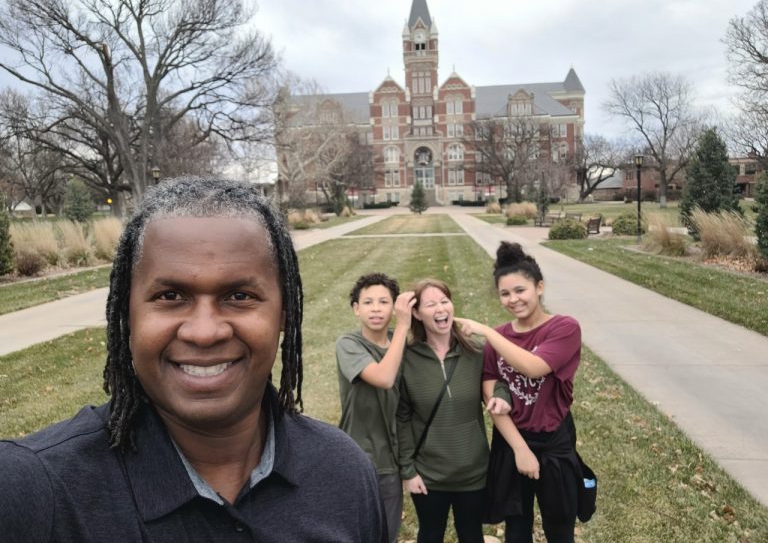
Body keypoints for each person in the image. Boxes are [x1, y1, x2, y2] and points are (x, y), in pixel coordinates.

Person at [0, 176, 386, 543]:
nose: (204, 332)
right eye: (170, 296)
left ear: (284, 312)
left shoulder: (343, 473)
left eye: (239, 296)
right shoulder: (32, 492)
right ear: (127, 314)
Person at [456, 241, 586, 543]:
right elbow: (490, 396)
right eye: (505, 293)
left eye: (520, 290)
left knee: (560, 527)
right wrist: (520, 449)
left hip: (554, 439)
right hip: (511, 437)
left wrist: (487, 332)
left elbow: (534, 367)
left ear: (539, 287)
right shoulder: (500, 337)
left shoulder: (564, 328)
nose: (513, 299)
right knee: (516, 528)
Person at [397, 278, 503, 543]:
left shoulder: (476, 350)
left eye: (444, 301)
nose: (440, 308)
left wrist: (502, 396)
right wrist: (408, 470)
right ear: (417, 314)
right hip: (429, 474)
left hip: (473, 471)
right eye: (430, 304)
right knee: (430, 534)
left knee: (471, 535)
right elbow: (402, 417)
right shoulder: (407, 358)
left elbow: (498, 382)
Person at [336, 273, 416, 543]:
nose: (376, 308)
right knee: (354, 533)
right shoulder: (349, 344)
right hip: (357, 456)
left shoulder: (401, 341)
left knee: (386, 534)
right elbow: (383, 377)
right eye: (368, 302)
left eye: (384, 302)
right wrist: (403, 327)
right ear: (356, 309)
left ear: (394, 307)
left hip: (391, 460)